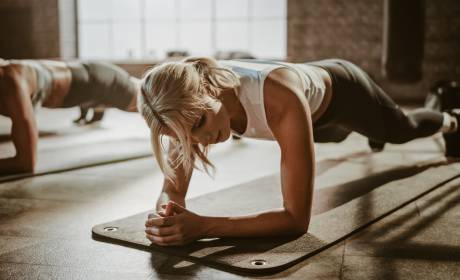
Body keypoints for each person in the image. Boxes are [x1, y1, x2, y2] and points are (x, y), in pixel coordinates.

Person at [139, 57, 459, 246]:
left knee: (401, 129)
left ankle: (449, 116)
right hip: (317, 125)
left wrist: (203, 226)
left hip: (346, 94)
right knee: (336, 138)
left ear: (210, 90)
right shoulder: (185, 110)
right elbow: (172, 192)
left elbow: (295, 219)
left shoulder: (280, 99)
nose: (200, 139)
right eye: (186, 138)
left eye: (200, 124)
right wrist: (167, 216)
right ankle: (371, 133)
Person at [0, 59, 140, 175]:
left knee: (152, 100)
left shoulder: (11, 82)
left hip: (99, 82)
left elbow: (25, 163)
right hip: (86, 79)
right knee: (147, 94)